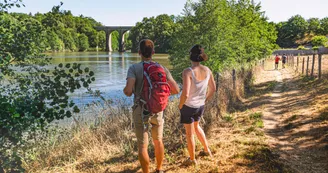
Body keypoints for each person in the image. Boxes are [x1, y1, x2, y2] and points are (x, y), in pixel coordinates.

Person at [123, 39, 180, 173]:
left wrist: (129, 90)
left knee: (143, 145)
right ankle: (159, 169)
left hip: (141, 110)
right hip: (158, 109)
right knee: (158, 140)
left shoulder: (134, 68)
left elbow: (128, 91)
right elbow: (176, 90)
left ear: (139, 53)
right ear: (153, 52)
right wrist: (160, 96)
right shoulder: (162, 68)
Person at [178, 45, 216, 166]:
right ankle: (207, 150)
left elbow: (186, 93)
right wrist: (204, 100)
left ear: (190, 56)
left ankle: (192, 159)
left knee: (189, 134)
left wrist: (180, 105)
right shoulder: (207, 70)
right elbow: (213, 89)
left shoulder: (187, 72)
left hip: (188, 106)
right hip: (200, 106)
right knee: (197, 127)